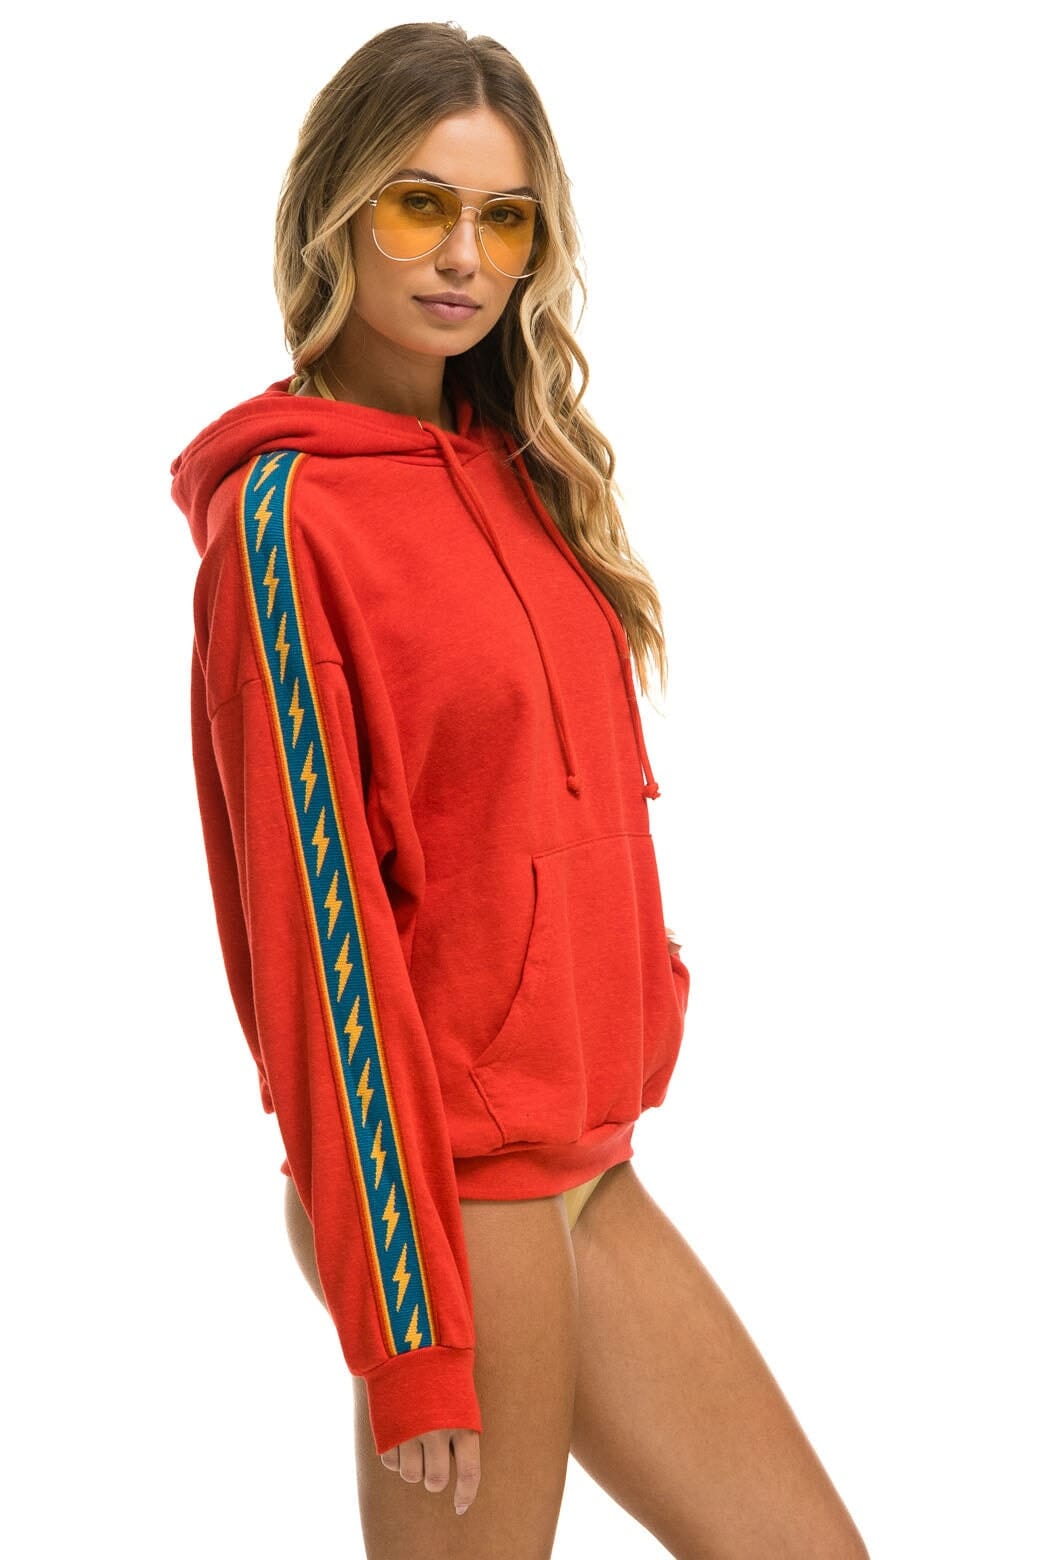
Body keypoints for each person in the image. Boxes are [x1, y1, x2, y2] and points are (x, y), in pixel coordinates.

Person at [171, 21, 869, 1559]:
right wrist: (408, 1333)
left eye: (505, 219)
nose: (463, 257)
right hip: (446, 1190)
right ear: (334, 212)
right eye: (420, 205)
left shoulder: (522, 467)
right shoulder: (286, 527)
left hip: (583, 1156)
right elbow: (318, 946)